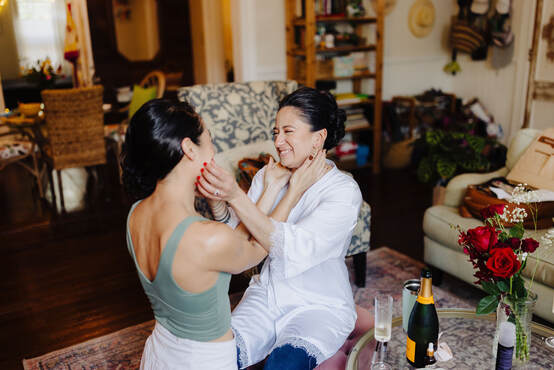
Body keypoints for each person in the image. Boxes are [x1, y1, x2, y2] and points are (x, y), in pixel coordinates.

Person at [120, 99, 325, 369]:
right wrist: (295, 190)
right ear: (189, 149)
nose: (213, 150)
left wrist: (272, 188)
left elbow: (235, 242)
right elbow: (257, 247)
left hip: (160, 354)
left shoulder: (136, 214)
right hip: (203, 361)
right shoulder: (204, 237)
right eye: (210, 140)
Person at [197, 87, 363, 369]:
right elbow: (240, 239)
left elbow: (291, 247)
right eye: (276, 132)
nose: (278, 141)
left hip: (318, 306)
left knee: (282, 364)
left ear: (318, 137)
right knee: (216, 358)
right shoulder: (268, 175)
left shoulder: (343, 191)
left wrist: (236, 195)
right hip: (268, 295)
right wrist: (218, 203)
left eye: (288, 131)